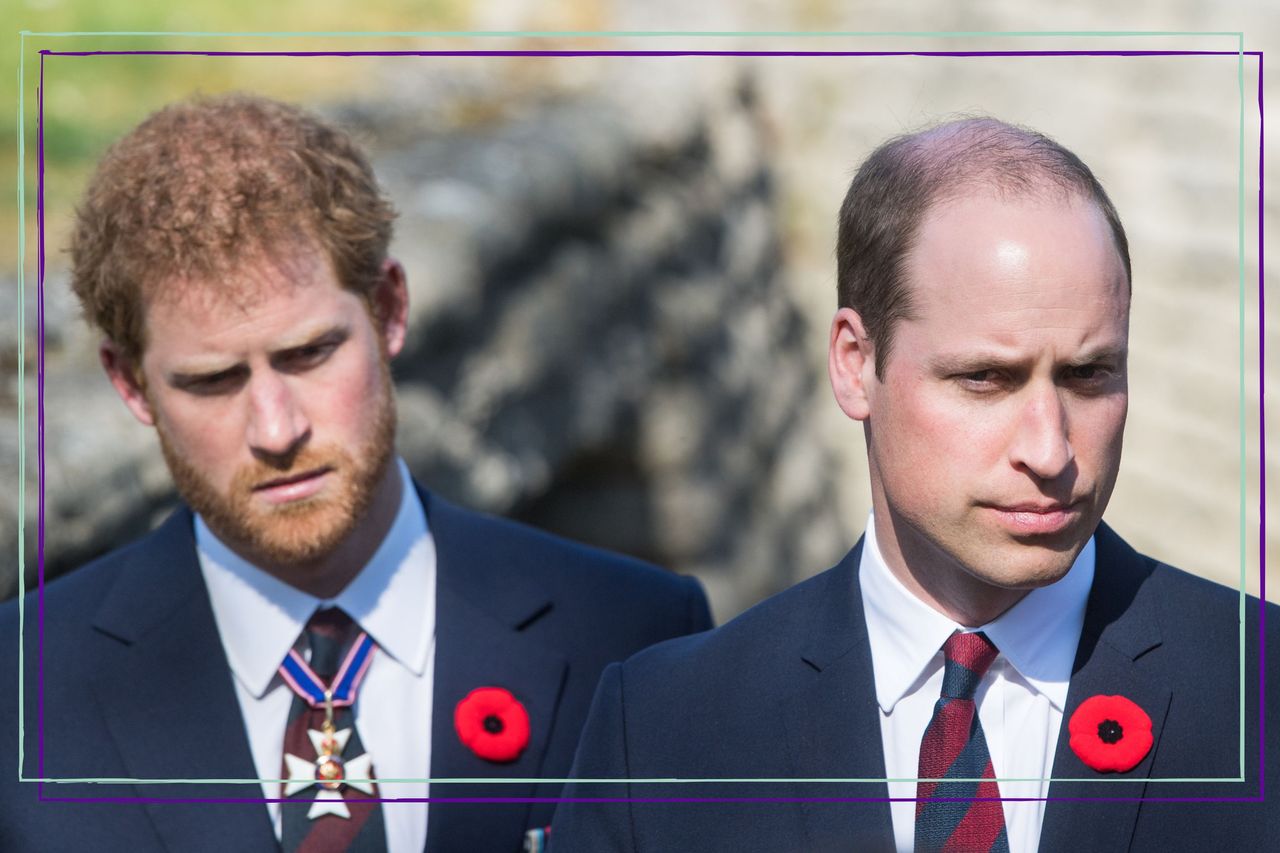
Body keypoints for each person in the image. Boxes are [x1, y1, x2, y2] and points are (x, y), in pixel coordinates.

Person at [0, 93, 712, 853]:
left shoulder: (639, 639)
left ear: (390, 309)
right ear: (131, 383)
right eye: (212, 381)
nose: (277, 429)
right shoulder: (22, 692)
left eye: (310, 354)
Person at [549, 117, 1276, 851]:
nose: (1050, 449)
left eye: (1089, 375)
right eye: (984, 379)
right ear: (854, 364)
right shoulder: (662, 731)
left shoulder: (1260, 695)